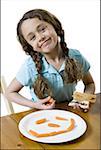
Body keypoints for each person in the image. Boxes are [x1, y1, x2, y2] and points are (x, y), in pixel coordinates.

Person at [5, 9, 95, 110]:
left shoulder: (76, 57)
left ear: (55, 27)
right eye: (33, 37)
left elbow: (89, 83)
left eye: (42, 29)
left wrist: (84, 99)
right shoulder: (30, 67)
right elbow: (9, 93)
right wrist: (35, 104)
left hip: (70, 113)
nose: (40, 37)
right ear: (30, 46)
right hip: (41, 116)